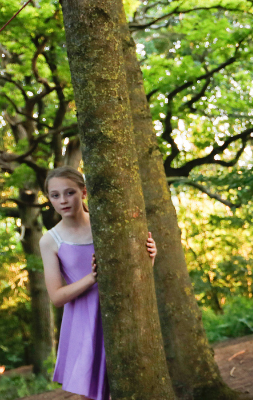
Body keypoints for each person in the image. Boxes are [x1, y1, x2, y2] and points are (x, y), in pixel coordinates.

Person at [39, 166, 157, 400]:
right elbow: (57, 297)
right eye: (55, 195)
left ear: (83, 193)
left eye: (69, 192)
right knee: (93, 395)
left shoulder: (108, 226)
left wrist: (149, 259)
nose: (63, 200)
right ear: (49, 199)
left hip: (123, 313)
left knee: (136, 386)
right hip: (84, 323)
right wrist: (92, 278)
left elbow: (131, 275)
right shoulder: (50, 240)